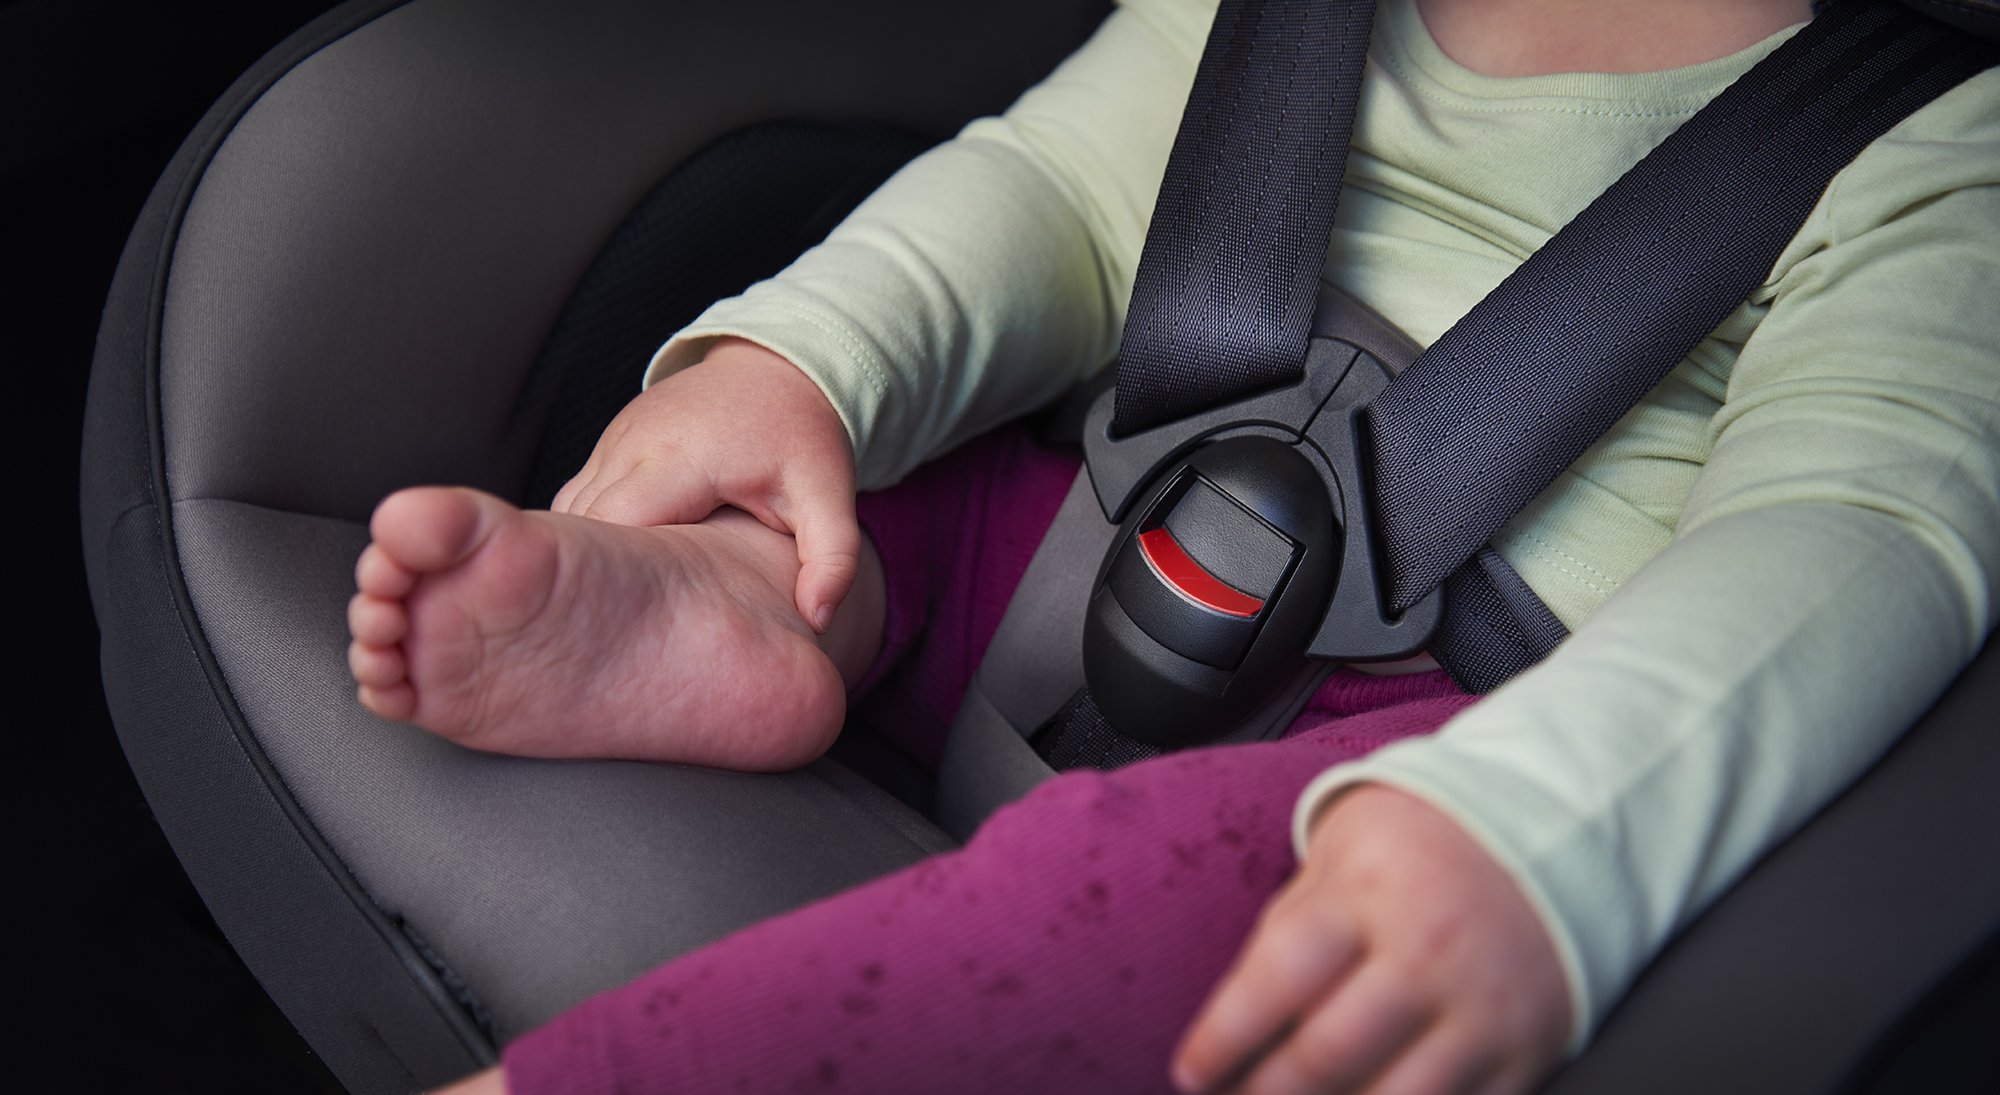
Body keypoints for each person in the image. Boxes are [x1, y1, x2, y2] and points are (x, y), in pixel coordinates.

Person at [344, 0, 2000, 1091]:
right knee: (872, 503)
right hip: (1090, 527)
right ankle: (739, 606)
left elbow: (1848, 534)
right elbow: (1055, 194)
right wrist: (798, 365)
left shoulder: (1942, 142)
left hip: (1453, 731)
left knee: (1188, 894)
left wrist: (1542, 826)